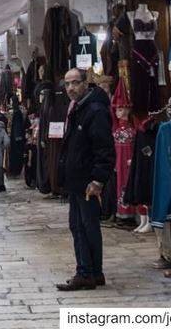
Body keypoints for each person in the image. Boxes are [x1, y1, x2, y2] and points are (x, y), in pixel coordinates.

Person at [56, 68, 115, 291]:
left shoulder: (95, 111)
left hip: (87, 181)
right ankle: (94, 271)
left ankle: (86, 273)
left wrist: (98, 179)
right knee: (83, 225)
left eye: (75, 83)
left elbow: (105, 149)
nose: (70, 88)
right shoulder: (79, 108)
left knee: (83, 227)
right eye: (67, 84)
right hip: (77, 180)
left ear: (85, 84)